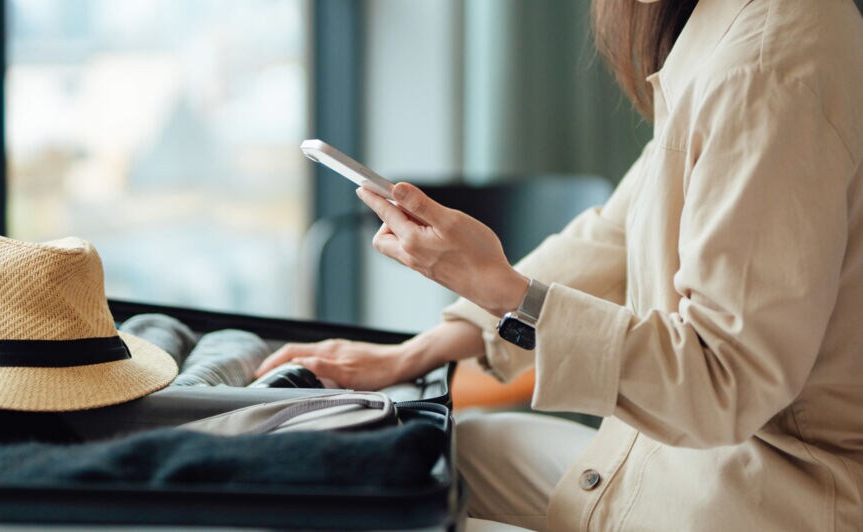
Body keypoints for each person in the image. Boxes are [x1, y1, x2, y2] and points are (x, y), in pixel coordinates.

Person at [256, 0, 863, 529]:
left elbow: (722, 380)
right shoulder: (729, 28)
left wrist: (502, 289)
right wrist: (416, 352)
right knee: (434, 448)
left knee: (378, 501)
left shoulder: (767, 65)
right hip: (697, 468)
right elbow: (615, 234)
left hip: (766, 498)